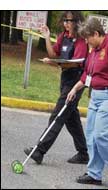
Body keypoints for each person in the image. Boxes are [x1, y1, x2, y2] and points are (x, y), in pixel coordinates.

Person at [66, 17, 108, 188]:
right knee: (91, 137)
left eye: (88, 38)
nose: (86, 42)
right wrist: (74, 89)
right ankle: (94, 174)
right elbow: (88, 74)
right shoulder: (94, 49)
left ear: (96, 33)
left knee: (102, 135)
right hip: (96, 96)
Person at [24, 11, 89, 165]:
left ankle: (39, 151)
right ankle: (83, 152)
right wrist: (47, 37)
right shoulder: (63, 36)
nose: (66, 23)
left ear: (77, 21)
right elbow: (53, 53)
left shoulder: (81, 40)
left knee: (58, 115)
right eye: (65, 20)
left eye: (70, 20)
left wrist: (54, 63)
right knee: (70, 117)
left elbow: (76, 62)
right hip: (65, 77)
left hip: (76, 79)